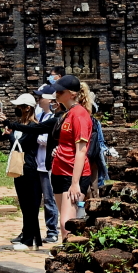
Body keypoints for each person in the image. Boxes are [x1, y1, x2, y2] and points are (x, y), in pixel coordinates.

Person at [0, 94, 49, 250]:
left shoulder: (33, 126)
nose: (17, 109)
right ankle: (31, 237)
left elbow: (21, 142)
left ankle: (29, 239)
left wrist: (11, 130)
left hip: (30, 168)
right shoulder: (19, 125)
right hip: (18, 168)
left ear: (28, 108)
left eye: (20, 107)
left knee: (31, 205)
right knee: (24, 204)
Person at [48, 75, 93, 241]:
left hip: (73, 174)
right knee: (67, 222)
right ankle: (68, 253)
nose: (56, 94)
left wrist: (75, 184)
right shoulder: (67, 114)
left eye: (61, 91)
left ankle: (71, 255)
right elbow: (67, 143)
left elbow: (81, 151)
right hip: (59, 172)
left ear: (72, 94)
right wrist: (57, 151)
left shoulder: (80, 115)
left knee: (66, 223)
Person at [35, 86, 60, 244]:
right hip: (39, 163)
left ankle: (53, 230)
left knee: (50, 199)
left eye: (41, 97)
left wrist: (34, 134)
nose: (38, 99)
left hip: (47, 164)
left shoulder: (53, 118)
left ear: (50, 100)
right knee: (42, 199)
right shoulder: (42, 115)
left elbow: (47, 140)